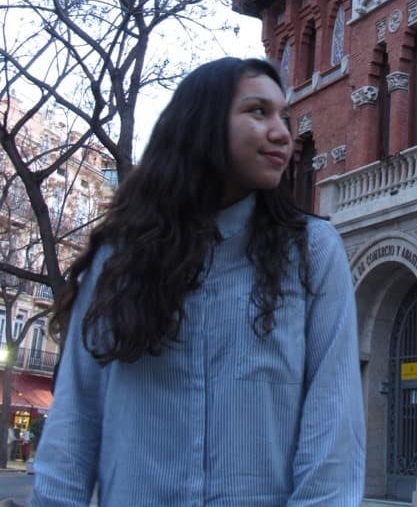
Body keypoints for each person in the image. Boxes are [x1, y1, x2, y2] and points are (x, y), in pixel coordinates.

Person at [31, 57, 365, 505]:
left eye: (283, 116)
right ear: (203, 124)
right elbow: (75, 421)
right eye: (257, 112)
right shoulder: (119, 260)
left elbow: (333, 428)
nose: (283, 133)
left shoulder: (312, 253)